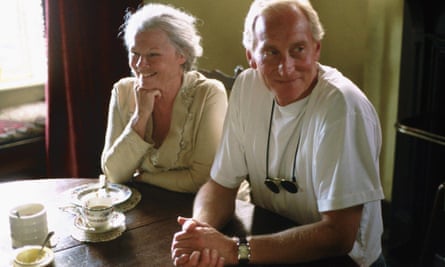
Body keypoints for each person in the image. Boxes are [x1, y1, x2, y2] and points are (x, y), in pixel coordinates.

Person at [171, 0, 387, 266]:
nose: (286, 67)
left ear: (316, 49)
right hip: (272, 242)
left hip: (342, 260)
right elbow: (220, 186)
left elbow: (339, 236)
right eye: (271, 52)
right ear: (250, 56)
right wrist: (198, 233)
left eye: (298, 49)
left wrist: (233, 250)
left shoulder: (342, 106)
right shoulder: (247, 87)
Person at [101, 3, 228, 193]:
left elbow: (203, 180)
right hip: (151, 211)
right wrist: (140, 117)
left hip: (210, 209)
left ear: (182, 55)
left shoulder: (209, 94)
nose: (140, 65)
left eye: (153, 55)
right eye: (134, 53)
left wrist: (143, 177)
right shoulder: (122, 91)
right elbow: (113, 174)